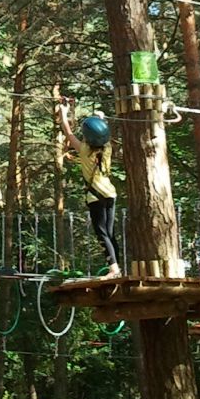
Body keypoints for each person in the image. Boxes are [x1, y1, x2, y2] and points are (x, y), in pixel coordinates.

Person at [55, 95, 121, 277]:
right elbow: (101, 132)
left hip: (95, 196)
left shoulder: (84, 151)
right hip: (110, 194)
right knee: (109, 233)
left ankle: (114, 268)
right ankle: (117, 267)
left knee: (101, 234)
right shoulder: (107, 148)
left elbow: (68, 133)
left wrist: (63, 112)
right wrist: (101, 117)